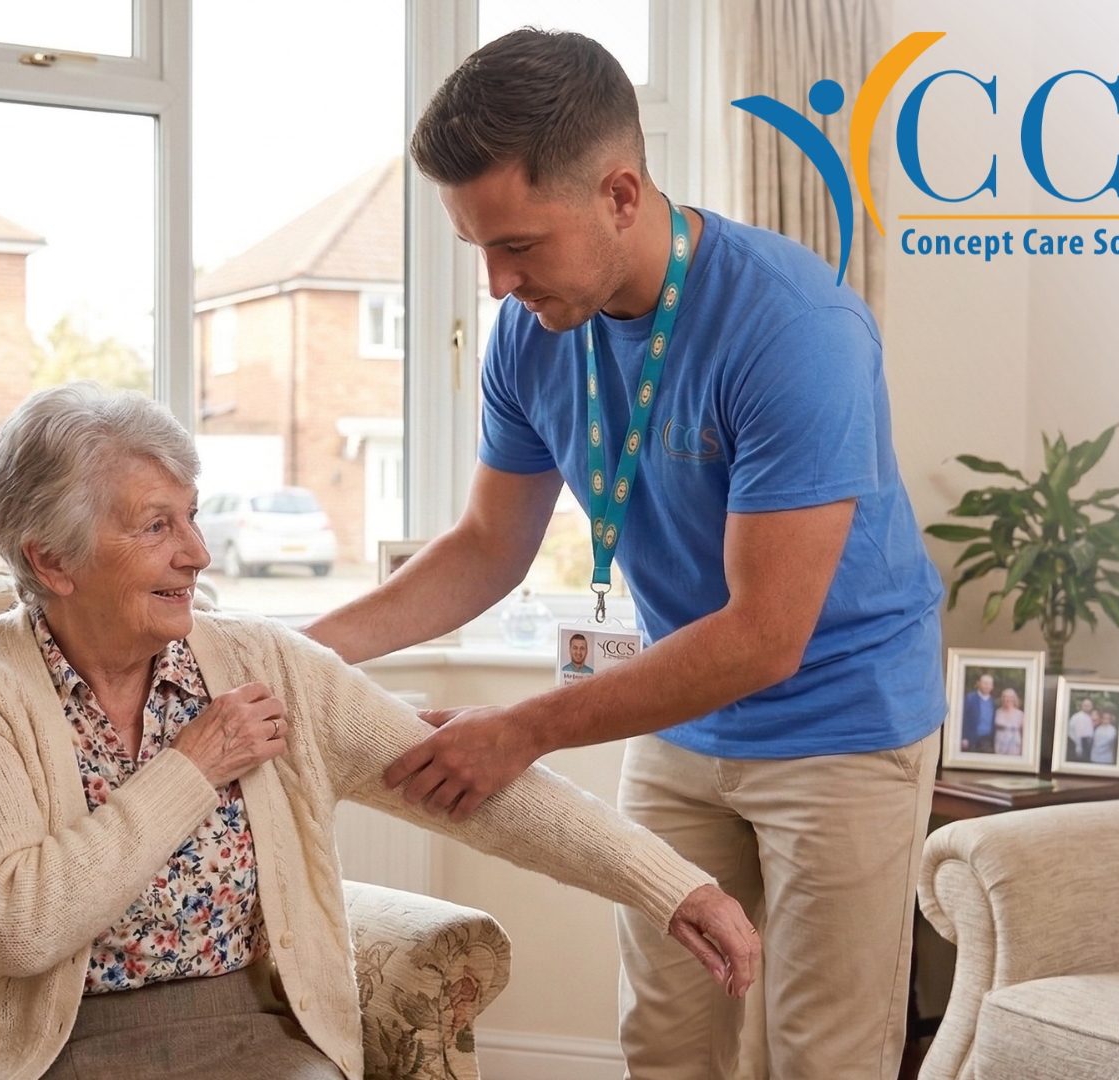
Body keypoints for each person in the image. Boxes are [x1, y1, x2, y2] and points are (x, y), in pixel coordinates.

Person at [301, 30, 946, 1080]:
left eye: (518, 244)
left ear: (621, 194)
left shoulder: (795, 330)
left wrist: (522, 732)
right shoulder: (533, 331)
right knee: (665, 1034)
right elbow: (484, 546)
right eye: (478, 248)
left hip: (842, 721)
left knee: (819, 1054)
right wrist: (297, 652)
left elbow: (766, 635)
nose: (497, 282)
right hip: (682, 709)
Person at [0, 384, 759, 1080]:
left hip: (246, 1033)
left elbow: (473, 788)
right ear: (51, 560)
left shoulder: (259, 663)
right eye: (156, 525)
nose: (198, 552)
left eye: (193, 516)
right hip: (49, 1049)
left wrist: (674, 887)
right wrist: (194, 766)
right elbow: (15, 927)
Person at [962, 672, 998, 754]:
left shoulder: (993, 702)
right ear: (979, 684)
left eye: (989, 684)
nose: (986, 686)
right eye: (984, 683)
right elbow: (962, 718)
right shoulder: (969, 698)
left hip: (987, 740)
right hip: (970, 739)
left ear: (992, 686)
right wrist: (963, 737)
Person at [993, 687, 1026, 757]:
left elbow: (1024, 733)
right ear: (1002, 699)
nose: (1008, 699)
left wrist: (1023, 749)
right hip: (1000, 744)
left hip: (1014, 745)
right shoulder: (997, 712)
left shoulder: (1020, 714)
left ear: (1014, 699)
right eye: (1005, 697)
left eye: (1011, 697)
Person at [1066, 697, 1096, 761]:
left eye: (1089, 705)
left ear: (1092, 706)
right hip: (1079, 743)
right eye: (1085, 705)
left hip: (1091, 744)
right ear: (1082, 706)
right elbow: (1070, 731)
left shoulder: (1093, 716)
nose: (1087, 707)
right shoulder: (1076, 717)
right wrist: (1077, 745)